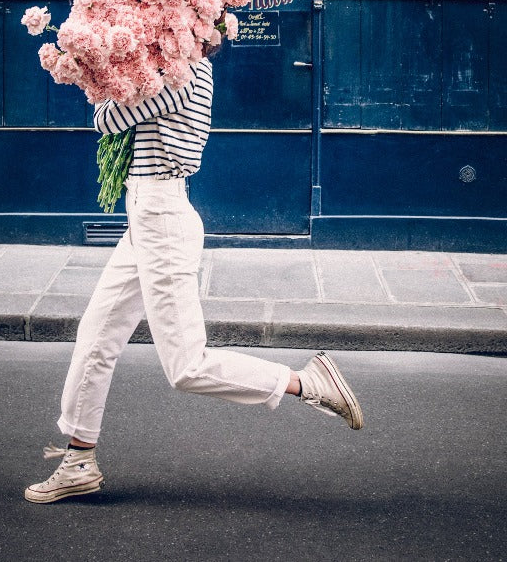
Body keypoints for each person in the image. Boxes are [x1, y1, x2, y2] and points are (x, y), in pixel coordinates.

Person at [25, 48, 363, 504]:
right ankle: (79, 460)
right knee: (97, 336)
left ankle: (306, 383)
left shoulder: (182, 70)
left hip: (162, 218)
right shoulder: (163, 66)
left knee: (186, 367)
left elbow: (108, 119)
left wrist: (108, 75)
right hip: (145, 215)